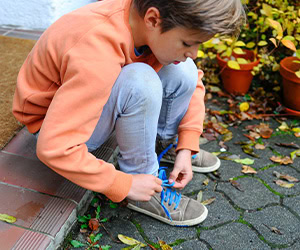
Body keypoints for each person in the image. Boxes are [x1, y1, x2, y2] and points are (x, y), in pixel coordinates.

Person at [13, 0, 245, 226]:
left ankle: (164, 146)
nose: (193, 52)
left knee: (184, 70)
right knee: (139, 81)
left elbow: (192, 84)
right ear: (153, 19)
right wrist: (122, 183)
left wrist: (186, 144)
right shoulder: (97, 49)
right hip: (55, 126)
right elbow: (53, 147)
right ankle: (143, 182)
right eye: (187, 43)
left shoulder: (145, 23)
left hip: (88, 103)